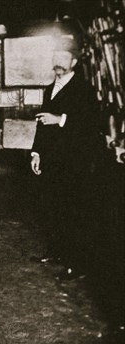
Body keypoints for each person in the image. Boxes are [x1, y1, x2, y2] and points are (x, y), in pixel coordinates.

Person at [30, 38, 103, 281]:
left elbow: (92, 126)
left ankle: (77, 264)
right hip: (51, 161)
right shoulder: (50, 88)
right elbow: (42, 124)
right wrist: (36, 153)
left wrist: (61, 119)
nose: (58, 64)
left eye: (63, 59)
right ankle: (57, 252)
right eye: (55, 59)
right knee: (52, 208)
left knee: (73, 212)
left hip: (73, 162)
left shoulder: (84, 89)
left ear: (73, 62)